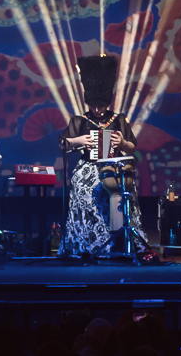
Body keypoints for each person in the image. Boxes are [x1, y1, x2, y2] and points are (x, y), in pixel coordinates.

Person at [56, 54, 145, 255]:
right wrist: (79, 141)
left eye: (102, 105)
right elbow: (62, 144)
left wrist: (122, 143)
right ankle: (88, 242)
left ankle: (120, 242)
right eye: (94, 105)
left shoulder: (118, 119)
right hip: (88, 166)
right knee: (83, 187)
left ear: (107, 101)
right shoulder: (80, 121)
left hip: (114, 166)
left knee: (122, 188)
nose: (98, 110)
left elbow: (132, 148)